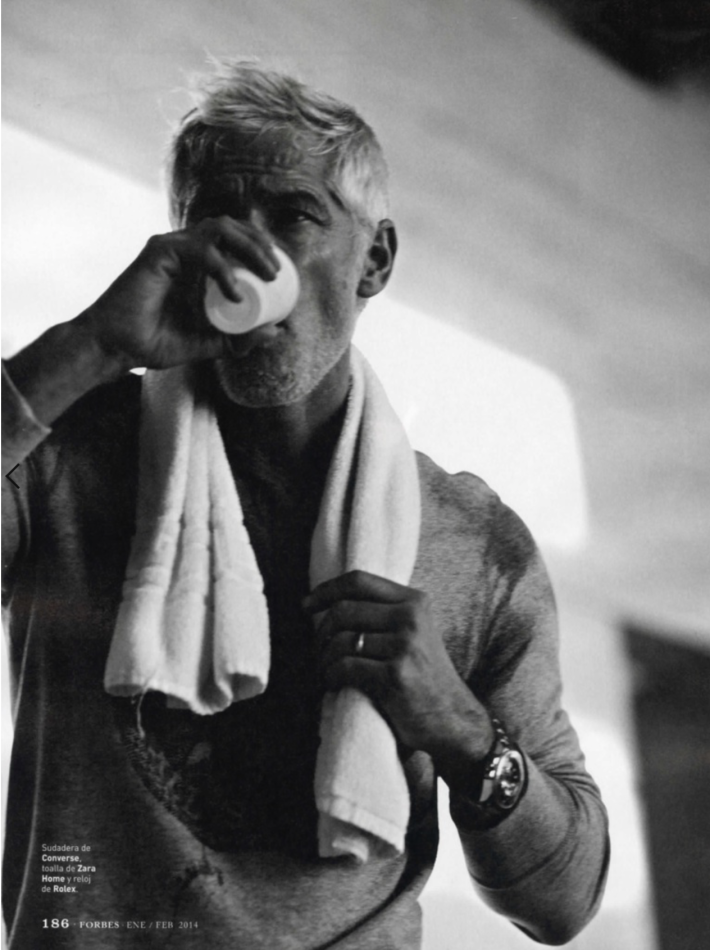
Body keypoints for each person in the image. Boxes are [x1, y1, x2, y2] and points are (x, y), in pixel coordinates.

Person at [2, 61, 609, 949]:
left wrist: (462, 732)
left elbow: (566, 901)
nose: (249, 253)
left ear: (375, 260)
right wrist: (93, 342)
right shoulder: (63, 454)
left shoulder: (475, 545)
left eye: (293, 216)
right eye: (216, 217)